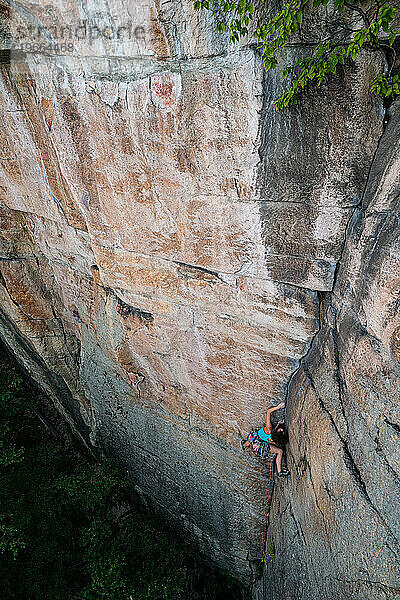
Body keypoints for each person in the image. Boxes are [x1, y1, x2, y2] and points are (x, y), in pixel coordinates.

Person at [241, 402, 290, 477]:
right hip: (263, 444)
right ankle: (280, 471)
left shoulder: (269, 429)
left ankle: (244, 445)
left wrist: (278, 407)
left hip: (258, 439)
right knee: (280, 451)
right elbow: (273, 436)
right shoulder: (275, 439)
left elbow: (268, 412)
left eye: (281, 431)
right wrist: (278, 425)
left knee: (253, 437)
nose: (282, 429)